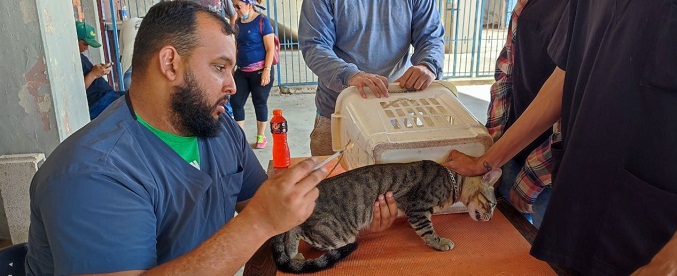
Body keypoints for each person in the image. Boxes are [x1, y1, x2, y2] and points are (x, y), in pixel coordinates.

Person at [27, 2, 396, 275]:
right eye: (219, 67)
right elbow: (260, 217)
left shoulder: (216, 131)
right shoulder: (92, 174)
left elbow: (262, 206)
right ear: (170, 63)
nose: (233, 85)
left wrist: (356, 220)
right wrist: (258, 222)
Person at [443, 0, 677, 274]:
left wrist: (670, 258)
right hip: (579, 203)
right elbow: (563, 79)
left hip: (651, 228)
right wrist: (488, 160)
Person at [298, 0, 445, 156]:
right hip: (338, 113)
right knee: (332, 175)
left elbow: (431, 37)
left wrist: (428, 65)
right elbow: (315, 46)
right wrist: (349, 74)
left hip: (395, 109)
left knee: (395, 175)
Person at [484, 0, 567, 228]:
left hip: (553, 175)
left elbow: (579, 112)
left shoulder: (593, 13)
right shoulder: (526, 5)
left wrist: (533, 176)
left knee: (545, 260)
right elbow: (506, 75)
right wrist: (492, 150)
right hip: (511, 156)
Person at [230, 0, 276, 149]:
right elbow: (236, 47)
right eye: (234, 6)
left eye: (239, 6)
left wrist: (266, 71)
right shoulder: (237, 23)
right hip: (242, 71)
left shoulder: (262, 21)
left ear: (249, 4)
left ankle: (261, 136)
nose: (236, 10)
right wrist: (231, 69)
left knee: (260, 103)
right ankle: (240, 137)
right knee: (236, 102)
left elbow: (270, 49)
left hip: (260, 71)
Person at [76, 21, 126, 120]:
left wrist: (99, 71)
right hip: (99, 102)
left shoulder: (80, 57)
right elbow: (77, 90)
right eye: (84, 44)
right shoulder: (71, 60)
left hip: (107, 96)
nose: (86, 48)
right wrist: (94, 74)